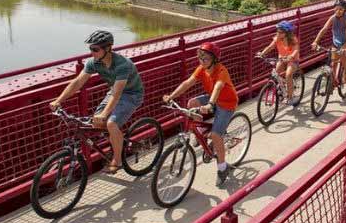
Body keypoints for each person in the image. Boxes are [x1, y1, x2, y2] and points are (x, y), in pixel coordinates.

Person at [49, 30, 144, 174]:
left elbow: (118, 93)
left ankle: (117, 160)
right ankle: (119, 139)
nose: (92, 52)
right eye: (90, 49)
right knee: (96, 122)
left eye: (95, 49)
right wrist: (58, 100)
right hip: (114, 92)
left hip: (131, 95)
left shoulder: (122, 65)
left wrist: (105, 114)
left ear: (108, 48)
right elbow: (78, 82)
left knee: (111, 123)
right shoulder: (94, 62)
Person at [162, 42, 238, 187]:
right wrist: (171, 96)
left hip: (226, 103)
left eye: (206, 59)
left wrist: (210, 104)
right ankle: (201, 132)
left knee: (216, 136)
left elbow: (218, 87)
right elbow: (187, 83)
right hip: (212, 99)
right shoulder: (201, 69)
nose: (202, 61)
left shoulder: (221, 70)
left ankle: (223, 168)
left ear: (214, 59)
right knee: (191, 103)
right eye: (200, 58)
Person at [311, 0, 346, 89]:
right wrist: (315, 41)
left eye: (341, 9)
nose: (338, 11)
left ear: (345, 10)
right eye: (336, 9)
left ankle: (345, 74)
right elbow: (324, 29)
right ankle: (333, 81)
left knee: (342, 55)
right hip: (336, 42)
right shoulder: (332, 18)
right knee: (333, 63)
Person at [259, 20, 300, 104]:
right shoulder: (277, 38)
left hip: (292, 60)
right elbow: (270, 47)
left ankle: (291, 97)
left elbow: (296, 50)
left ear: (286, 33)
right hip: (281, 59)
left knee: (288, 75)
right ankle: (281, 88)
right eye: (277, 31)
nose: (278, 33)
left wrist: (291, 56)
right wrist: (262, 53)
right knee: (276, 74)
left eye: (280, 32)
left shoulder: (292, 39)